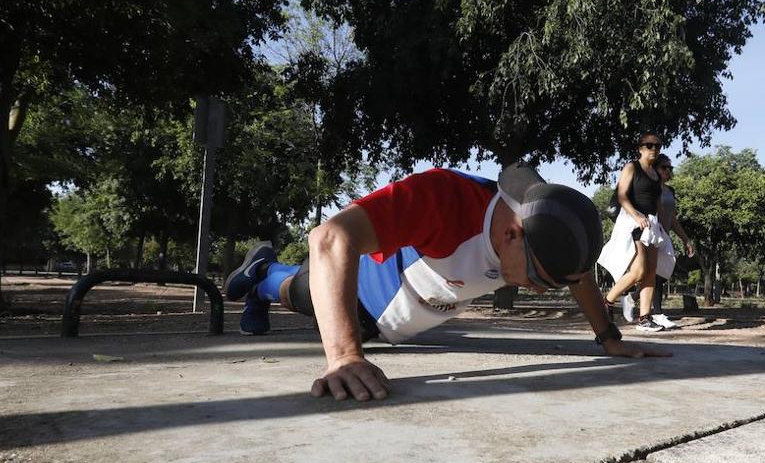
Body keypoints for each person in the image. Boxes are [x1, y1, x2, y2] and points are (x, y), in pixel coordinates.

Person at [224, 163, 668, 400]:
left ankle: (268, 278)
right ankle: (263, 271)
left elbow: (576, 279)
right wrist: (343, 356)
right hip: (363, 298)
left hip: (409, 319)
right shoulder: (442, 198)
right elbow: (328, 237)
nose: (537, 289)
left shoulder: (537, 230)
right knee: (295, 291)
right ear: (512, 234)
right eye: (536, 278)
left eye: (547, 285)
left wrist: (609, 339)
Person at [597, 133, 673, 332]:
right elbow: (622, 196)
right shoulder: (632, 167)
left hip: (652, 225)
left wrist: (663, 229)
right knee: (639, 270)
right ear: (640, 148)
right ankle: (607, 300)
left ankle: (644, 318)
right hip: (634, 223)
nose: (654, 149)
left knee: (650, 272)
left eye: (657, 145)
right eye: (649, 145)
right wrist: (637, 216)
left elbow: (658, 204)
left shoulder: (657, 175)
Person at [649, 154, 695, 329]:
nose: (668, 171)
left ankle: (631, 299)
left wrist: (686, 239)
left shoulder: (670, 191)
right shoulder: (650, 189)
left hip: (665, 236)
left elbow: (673, 219)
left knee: (660, 274)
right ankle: (657, 314)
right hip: (650, 235)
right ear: (655, 169)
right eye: (664, 167)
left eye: (670, 168)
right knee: (653, 275)